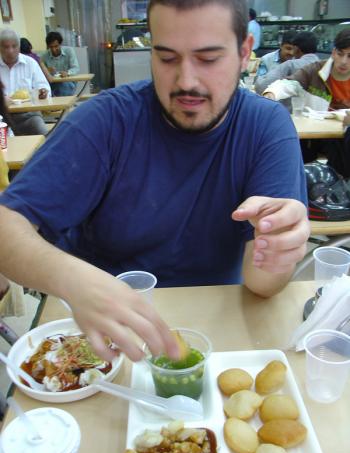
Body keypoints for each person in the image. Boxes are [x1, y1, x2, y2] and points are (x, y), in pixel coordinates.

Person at [0, 0, 309, 362]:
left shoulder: (265, 128)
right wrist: (71, 279)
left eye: (208, 59)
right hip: (104, 338)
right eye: (166, 58)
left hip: (218, 330)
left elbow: (261, 284)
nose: (186, 82)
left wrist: (279, 251)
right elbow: (7, 225)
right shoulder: (105, 121)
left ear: (244, 54)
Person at [263, 29, 350, 176]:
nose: (343, 61)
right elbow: (289, 84)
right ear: (333, 52)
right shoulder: (316, 70)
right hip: (316, 136)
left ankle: (338, 187)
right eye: (340, 54)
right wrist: (271, 93)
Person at [0, 29, 50, 136]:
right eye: (6, 47)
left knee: (42, 133)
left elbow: (44, 87)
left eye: (14, 46)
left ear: (19, 47)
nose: (10, 51)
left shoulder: (30, 63)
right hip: (2, 117)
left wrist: (43, 92)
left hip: (28, 115)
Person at [255, 31, 319, 96]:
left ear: (296, 49)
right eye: (288, 48)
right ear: (280, 46)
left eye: (292, 49)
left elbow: (261, 86)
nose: (291, 53)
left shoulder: (291, 65)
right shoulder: (324, 65)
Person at [41, 31, 80, 96]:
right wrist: (46, 70)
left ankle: (60, 104)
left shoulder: (69, 51)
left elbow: (76, 68)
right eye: (51, 47)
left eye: (56, 46)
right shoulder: (44, 56)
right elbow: (40, 73)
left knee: (62, 87)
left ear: (60, 44)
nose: (53, 49)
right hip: (52, 83)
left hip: (68, 82)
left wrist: (67, 73)